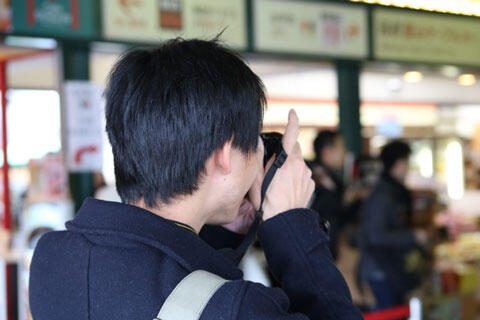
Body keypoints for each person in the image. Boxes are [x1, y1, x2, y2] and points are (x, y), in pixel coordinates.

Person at [29, 39, 362, 319]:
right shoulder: (239, 308)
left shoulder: (53, 258)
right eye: (254, 144)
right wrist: (291, 229)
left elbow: (150, 278)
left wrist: (216, 226)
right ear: (223, 155)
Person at [359, 140, 428, 310]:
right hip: (380, 274)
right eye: (407, 163)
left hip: (387, 271)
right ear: (399, 164)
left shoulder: (390, 192)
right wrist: (412, 236)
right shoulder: (383, 196)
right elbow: (374, 236)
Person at [309, 130, 360, 259]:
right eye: (342, 148)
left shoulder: (335, 180)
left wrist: (353, 201)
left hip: (328, 250)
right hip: (312, 251)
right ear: (327, 151)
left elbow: (339, 217)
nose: (345, 153)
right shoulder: (309, 176)